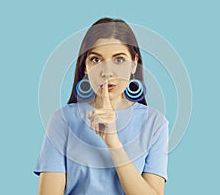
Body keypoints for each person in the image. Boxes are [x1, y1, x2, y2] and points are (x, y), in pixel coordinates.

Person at [34, 17, 169, 195]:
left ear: (134, 63)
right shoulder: (62, 120)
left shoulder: (155, 123)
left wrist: (113, 143)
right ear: (85, 67)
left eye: (119, 60)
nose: (106, 72)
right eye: (96, 60)